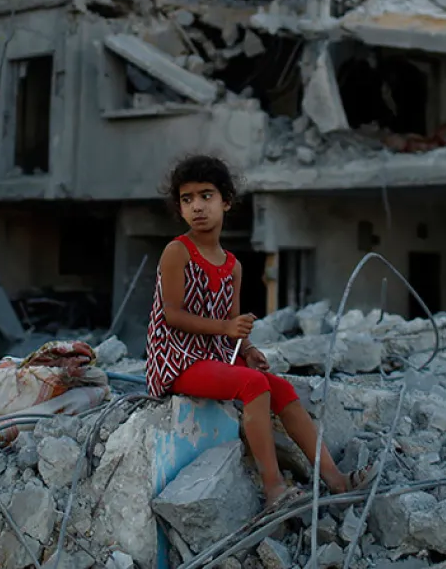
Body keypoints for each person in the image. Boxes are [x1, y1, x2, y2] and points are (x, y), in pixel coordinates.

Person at [145, 153, 371, 510]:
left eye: (206, 196)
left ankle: (335, 479)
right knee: (252, 385)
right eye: (187, 199)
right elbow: (172, 315)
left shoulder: (232, 265)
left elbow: (231, 322)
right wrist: (225, 328)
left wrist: (247, 348)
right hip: (176, 361)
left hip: (212, 359)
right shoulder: (177, 252)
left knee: (280, 387)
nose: (197, 207)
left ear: (226, 201)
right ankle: (274, 488)